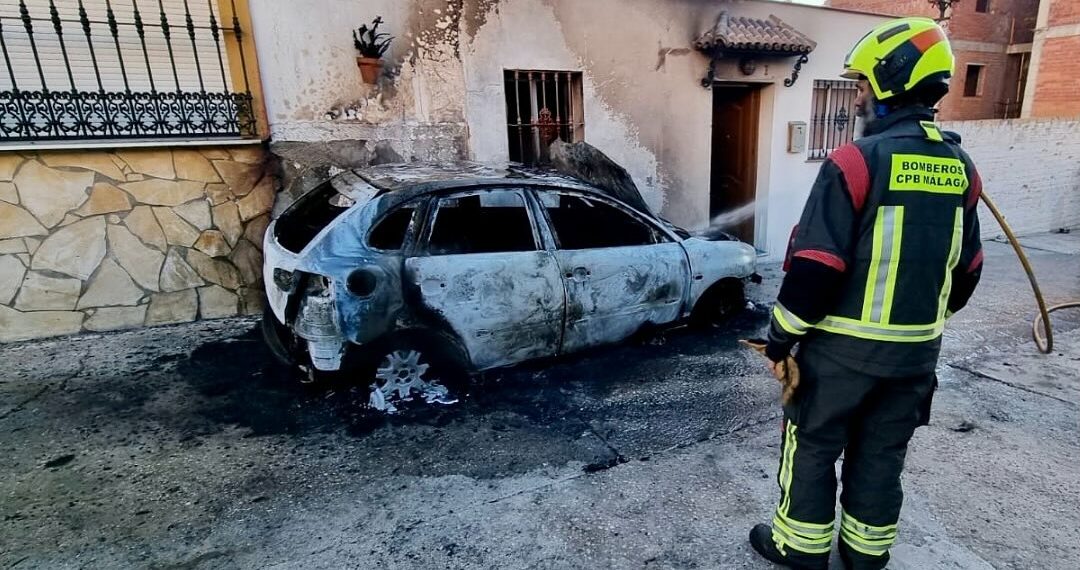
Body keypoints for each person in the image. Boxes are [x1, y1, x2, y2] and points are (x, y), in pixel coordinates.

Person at [748, 17, 984, 570]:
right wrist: (921, 320)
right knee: (881, 454)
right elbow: (968, 270)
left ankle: (799, 549)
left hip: (841, 353)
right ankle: (865, 555)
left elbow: (816, 267)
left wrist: (781, 337)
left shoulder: (856, 161)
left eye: (860, 85)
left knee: (811, 445)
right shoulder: (960, 168)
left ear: (889, 84)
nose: (855, 96)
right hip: (917, 356)